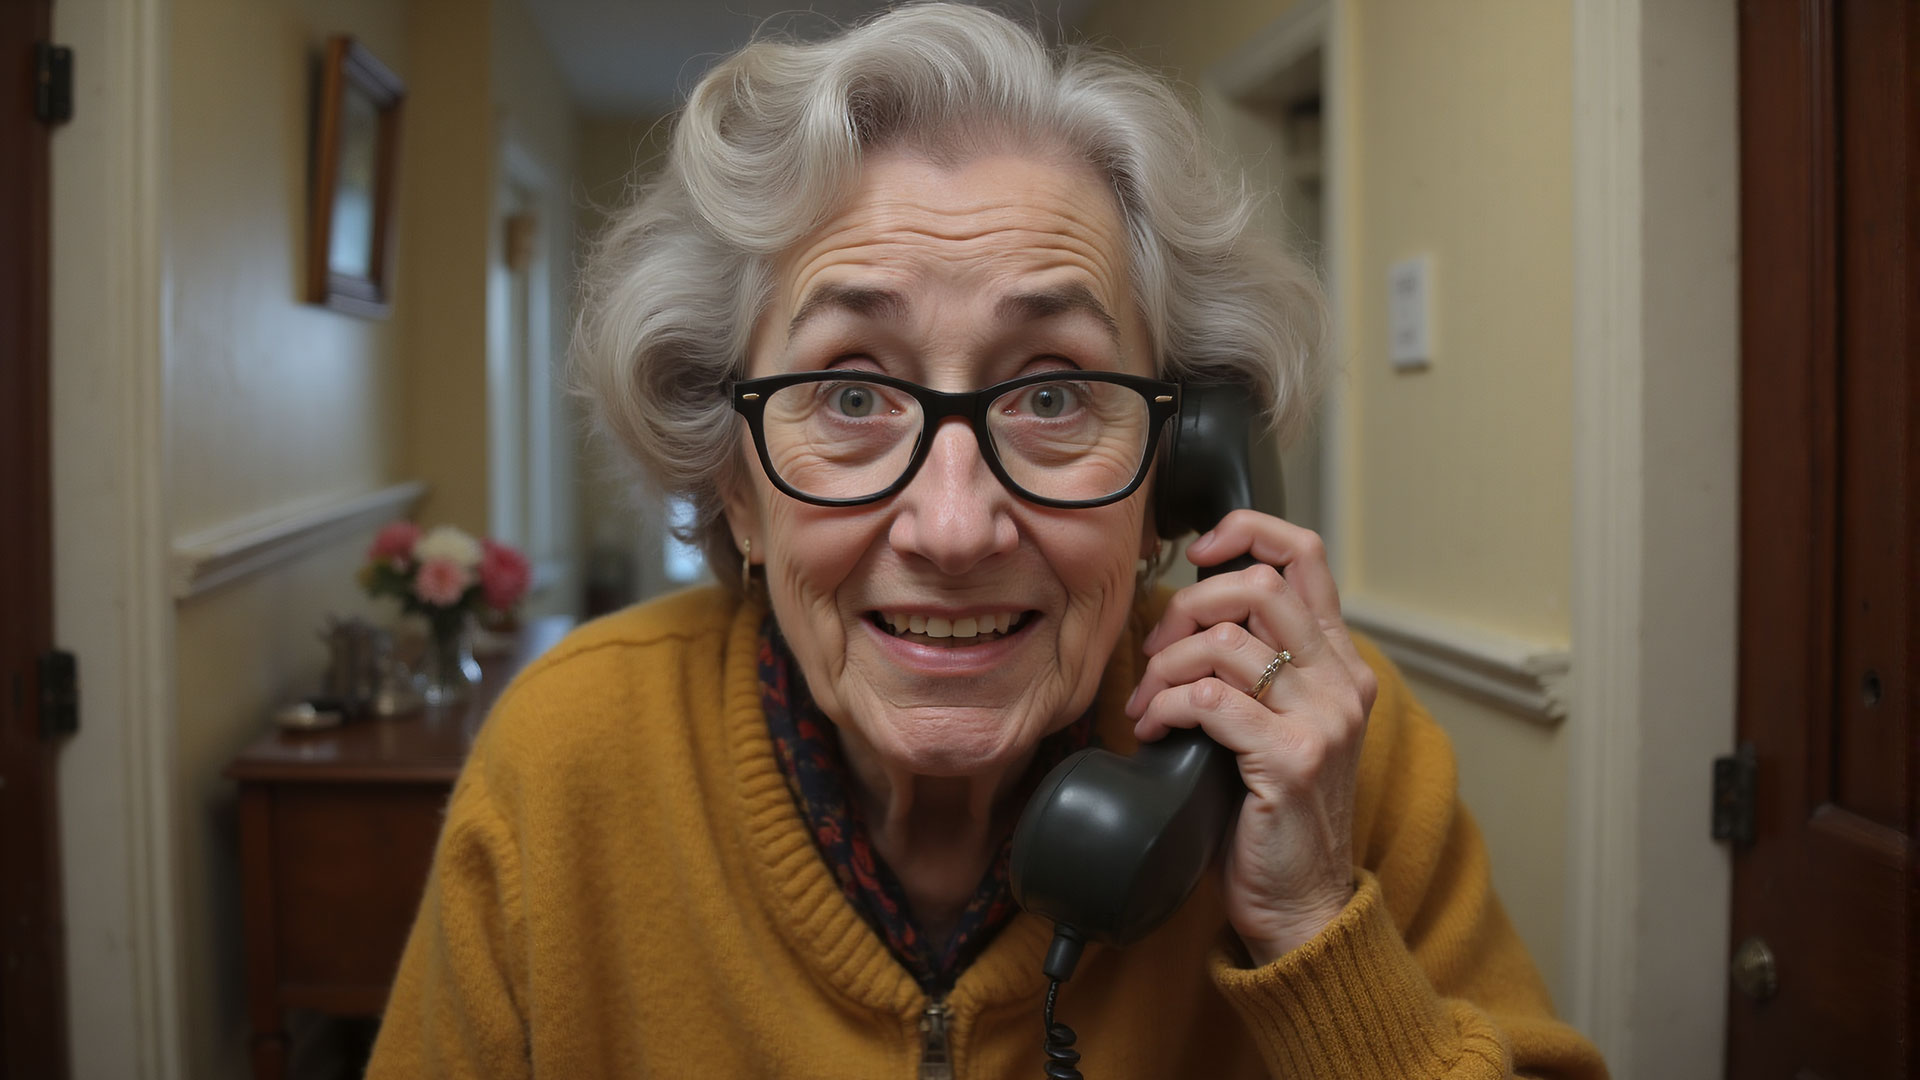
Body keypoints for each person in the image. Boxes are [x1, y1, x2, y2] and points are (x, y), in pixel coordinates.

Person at [366, 6, 1607, 1077]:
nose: (955, 527)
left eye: (1053, 393)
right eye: (853, 395)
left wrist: (1314, 930)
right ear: (731, 479)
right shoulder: (565, 766)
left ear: (1177, 476)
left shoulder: (1340, 759)